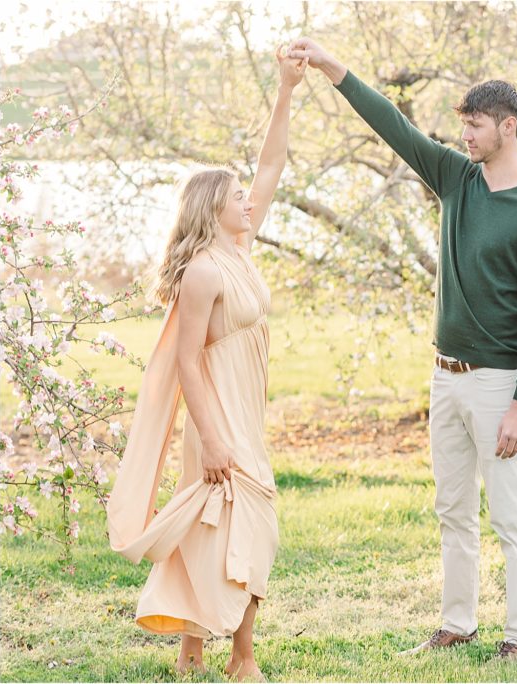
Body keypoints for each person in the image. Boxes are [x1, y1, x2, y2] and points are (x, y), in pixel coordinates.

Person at [287, 37, 517, 660]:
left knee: (512, 517)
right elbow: (395, 125)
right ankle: (457, 625)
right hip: (445, 376)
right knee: (453, 509)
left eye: (475, 125)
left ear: (508, 128)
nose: (465, 135)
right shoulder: (455, 177)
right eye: (462, 125)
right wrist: (334, 67)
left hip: (499, 384)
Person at [107, 48, 306, 681]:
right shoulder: (201, 272)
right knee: (248, 523)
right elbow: (188, 360)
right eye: (236, 196)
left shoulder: (240, 248)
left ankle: (192, 649)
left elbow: (272, 162)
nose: (248, 200)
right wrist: (214, 435)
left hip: (246, 410)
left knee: (214, 528)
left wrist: (285, 89)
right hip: (217, 415)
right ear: (210, 207)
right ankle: (241, 659)